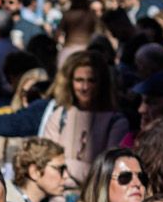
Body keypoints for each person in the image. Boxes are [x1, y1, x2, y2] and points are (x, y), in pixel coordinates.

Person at [38, 50, 133, 184]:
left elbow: (106, 172)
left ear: (102, 83)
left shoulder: (116, 122)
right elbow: (46, 161)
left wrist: (65, 163)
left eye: (91, 81)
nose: (84, 87)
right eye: (79, 80)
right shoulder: (60, 115)